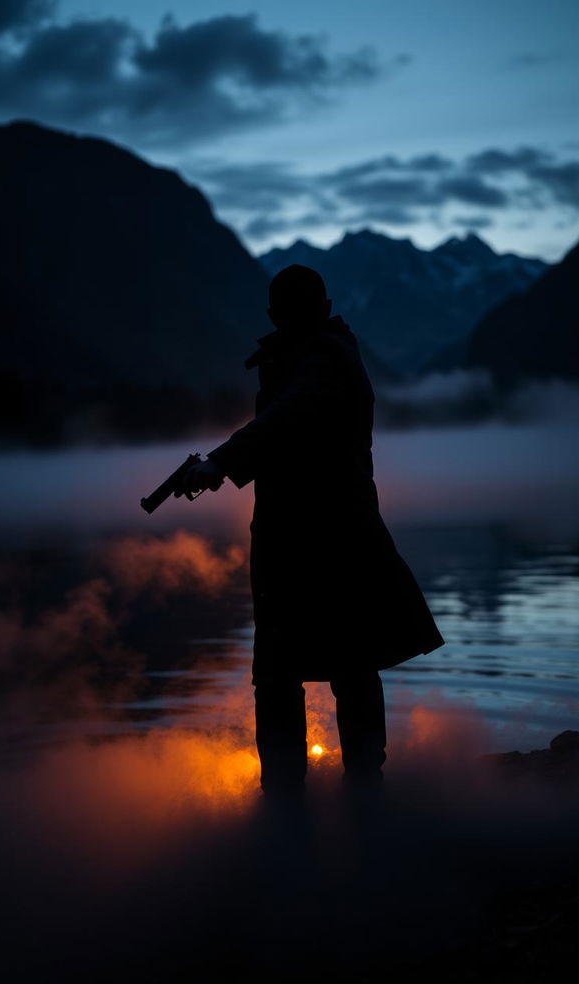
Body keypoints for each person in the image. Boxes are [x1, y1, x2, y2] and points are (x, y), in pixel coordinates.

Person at [182, 264, 445, 794]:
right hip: (315, 538)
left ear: (279, 315)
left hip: (325, 541)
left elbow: (287, 419)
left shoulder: (323, 359)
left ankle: (309, 804)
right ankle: (336, 797)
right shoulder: (318, 355)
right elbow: (285, 425)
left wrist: (221, 463)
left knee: (304, 672)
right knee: (329, 669)